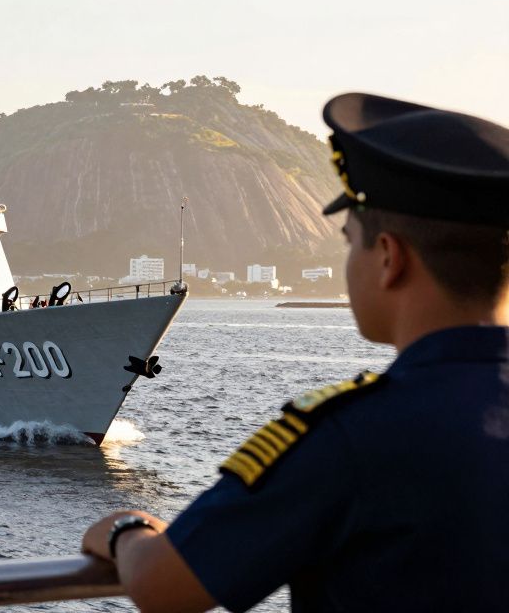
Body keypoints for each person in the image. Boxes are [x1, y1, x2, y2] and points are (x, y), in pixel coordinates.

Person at [79, 93, 509, 612]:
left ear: (389, 257)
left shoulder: (352, 435)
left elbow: (165, 586)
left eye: (350, 241)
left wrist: (124, 529)